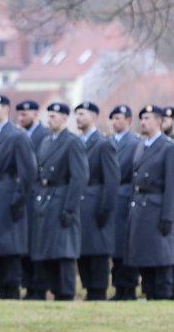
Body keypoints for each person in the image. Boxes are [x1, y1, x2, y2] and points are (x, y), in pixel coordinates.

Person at [29, 102, 89, 301]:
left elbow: (79, 177)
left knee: (63, 251)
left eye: (54, 116)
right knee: (47, 250)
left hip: (62, 198)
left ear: (64, 118)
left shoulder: (72, 142)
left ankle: (65, 292)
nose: (50, 119)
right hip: (46, 199)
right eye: (49, 115)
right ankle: (50, 287)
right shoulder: (46, 142)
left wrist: (70, 208)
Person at [0, 95, 37, 299]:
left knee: (9, 247)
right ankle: (1, 287)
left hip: (8, 193)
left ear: (6, 110)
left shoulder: (17, 136)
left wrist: (18, 199)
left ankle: (11, 288)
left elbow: (28, 172)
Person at [125, 104, 174, 299]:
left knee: (161, 257)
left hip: (157, 205)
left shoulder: (167, 147)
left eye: (148, 118)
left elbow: (171, 185)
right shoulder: (141, 146)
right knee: (145, 256)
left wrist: (168, 216)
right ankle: (149, 292)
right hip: (141, 207)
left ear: (160, 122)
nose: (143, 122)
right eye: (142, 118)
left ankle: (163, 293)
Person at [74, 102, 118, 300]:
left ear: (93, 116)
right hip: (80, 205)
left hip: (97, 203)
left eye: (82, 114)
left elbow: (112, 180)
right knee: (83, 250)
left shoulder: (103, 144)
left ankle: (98, 291)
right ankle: (88, 288)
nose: (78, 118)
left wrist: (106, 209)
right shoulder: (76, 142)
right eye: (77, 114)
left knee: (98, 250)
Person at [15, 99, 49, 299]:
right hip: (21, 195)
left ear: (36, 114)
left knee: (37, 243)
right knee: (23, 243)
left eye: (25, 113)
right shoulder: (18, 135)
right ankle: (27, 284)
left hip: (38, 194)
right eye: (19, 113)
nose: (21, 117)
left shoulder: (43, 136)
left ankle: (39, 286)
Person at [109, 104, 141, 300]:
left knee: (126, 246)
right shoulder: (109, 141)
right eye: (113, 118)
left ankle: (128, 287)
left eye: (119, 118)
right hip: (112, 199)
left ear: (128, 120)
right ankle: (118, 286)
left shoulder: (134, 143)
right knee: (114, 246)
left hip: (126, 197)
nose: (115, 122)